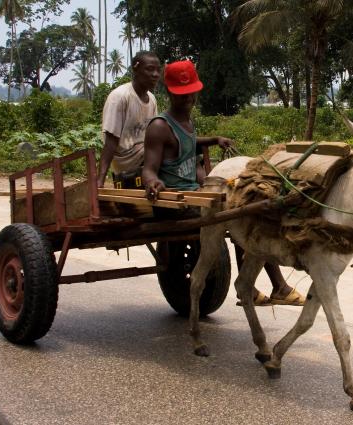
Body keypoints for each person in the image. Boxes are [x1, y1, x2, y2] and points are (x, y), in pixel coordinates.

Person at [143, 60, 305, 307]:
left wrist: (215, 139)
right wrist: (153, 183)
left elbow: (187, 142)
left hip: (195, 195)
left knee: (249, 203)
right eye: (181, 94)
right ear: (169, 93)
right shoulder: (158, 127)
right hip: (177, 202)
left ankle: (267, 286)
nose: (187, 99)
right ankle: (272, 287)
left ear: (196, 92)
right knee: (243, 215)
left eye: (190, 94)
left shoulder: (186, 121)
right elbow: (149, 169)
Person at [97, 51, 161, 188]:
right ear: (136, 68)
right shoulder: (120, 97)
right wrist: (100, 180)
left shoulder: (152, 99)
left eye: (158, 70)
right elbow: (111, 141)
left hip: (146, 156)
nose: (155, 74)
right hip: (127, 161)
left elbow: (154, 136)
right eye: (150, 69)